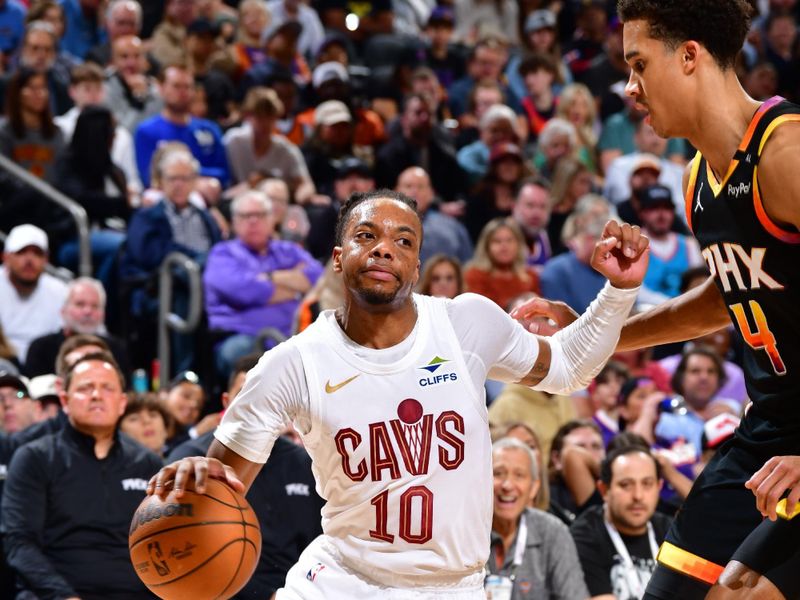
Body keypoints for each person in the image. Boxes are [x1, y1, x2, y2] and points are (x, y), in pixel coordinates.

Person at [147, 188, 649, 599]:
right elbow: (220, 491)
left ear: (416, 265)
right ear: (339, 259)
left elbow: (568, 368)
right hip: (342, 581)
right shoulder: (291, 363)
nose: (385, 248)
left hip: (454, 588)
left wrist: (618, 292)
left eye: (403, 241)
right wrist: (199, 476)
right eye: (367, 236)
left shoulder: (464, 323)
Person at [527, 1, 800, 597]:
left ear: (689, 55)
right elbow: (727, 293)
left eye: (638, 64)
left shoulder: (787, 155)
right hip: (767, 431)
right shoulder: (697, 176)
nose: (630, 87)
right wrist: (598, 334)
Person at [1, 352, 162, 599]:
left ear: (121, 402)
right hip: (53, 594)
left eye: (107, 388)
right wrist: (64, 596)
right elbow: (19, 543)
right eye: (86, 388)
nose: (97, 395)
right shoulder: (34, 457)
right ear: (64, 400)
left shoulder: (147, 464)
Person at [168, 354, 326, 598]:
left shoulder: (307, 462)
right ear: (226, 401)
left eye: (270, 395)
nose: (258, 403)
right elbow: (179, 555)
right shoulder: (192, 459)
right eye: (247, 393)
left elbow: (326, 547)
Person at [203, 190, 323, 377]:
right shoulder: (223, 253)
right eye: (246, 216)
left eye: (260, 215)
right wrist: (295, 288)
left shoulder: (287, 250)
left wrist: (269, 277)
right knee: (238, 352)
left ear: (272, 220)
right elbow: (243, 291)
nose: (253, 221)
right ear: (234, 222)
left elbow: (318, 278)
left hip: (296, 337)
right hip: (243, 337)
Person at [487, 437, 590, 600]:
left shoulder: (553, 532)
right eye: (498, 473)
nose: (507, 485)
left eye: (519, 475)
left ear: (534, 487)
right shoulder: (464, 532)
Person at [570, 445, 672, 600]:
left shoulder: (671, 530)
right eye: (625, 485)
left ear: (659, 487)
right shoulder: (584, 536)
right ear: (604, 490)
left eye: (647, 484)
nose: (638, 496)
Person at [134, 63, 229, 188]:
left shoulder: (209, 130)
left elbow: (223, 174)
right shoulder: (146, 131)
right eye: (176, 86)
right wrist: (194, 177)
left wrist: (180, 173)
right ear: (161, 88)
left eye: (188, 87)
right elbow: (149, 178)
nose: (183, 92)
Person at [24, 277, 131, 378]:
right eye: (80, 304)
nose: (88, 311)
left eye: (95, 306)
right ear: (63, 310)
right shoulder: (41, 349)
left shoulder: (116, 350)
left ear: (103, 314)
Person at [0, 224, 68, 364]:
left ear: (46, 259)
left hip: (45, 366)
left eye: (37, 253)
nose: (29, 260)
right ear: (6, 257)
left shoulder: (60, 291)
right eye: (21, 252)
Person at [464, 217, 540, 309]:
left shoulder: (531, 277)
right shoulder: (474, 275)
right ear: (486, 246)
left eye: (509, 240)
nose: (504, 246)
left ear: (518, 244)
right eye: (497, 241)